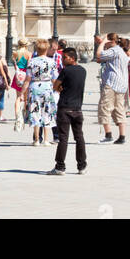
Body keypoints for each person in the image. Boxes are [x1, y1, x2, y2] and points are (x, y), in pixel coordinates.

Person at [49, 47, 86, 175]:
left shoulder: (66, 71)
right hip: (77, 108)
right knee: (79, 137)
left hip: (65, 107)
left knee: (63, 138)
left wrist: (61, 89)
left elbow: (55, 86)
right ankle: (81, 166)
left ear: (72, 58)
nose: (63, 60)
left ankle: (60, 166)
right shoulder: (83, 71)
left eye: (65, 58)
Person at [97, 34, 130, 144]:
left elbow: (99, 54)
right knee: (119, 109)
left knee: (105, 107)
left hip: (112, 83)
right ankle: (122, 136)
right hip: (121, 85)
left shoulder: (114, 50)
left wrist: (102, 43)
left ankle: (108, 135)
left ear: (111, 41)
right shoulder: (121, 51)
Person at [26, 38, 57, 145]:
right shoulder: (52, 62)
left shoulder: (32, 61)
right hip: (47, 86)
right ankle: (46, 139)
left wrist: (21, 93)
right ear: (47, 49)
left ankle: (36, 140)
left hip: (34, 86)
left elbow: (27, 79)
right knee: (47, 111)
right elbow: (54, 78)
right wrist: (58, 89)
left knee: (35, 111)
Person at [11, 42, 30, 127]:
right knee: (26, 97)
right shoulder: (28, 53)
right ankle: (25, 115)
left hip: (18, 75)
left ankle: (17, 115)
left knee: (18, 97)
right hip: (25, 74)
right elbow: (29, 65)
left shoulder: (15, 53)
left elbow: (15, 65)